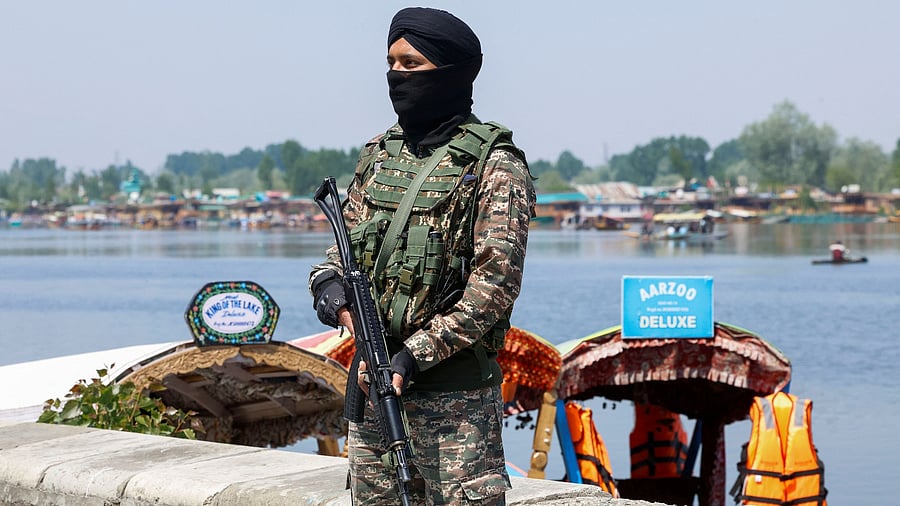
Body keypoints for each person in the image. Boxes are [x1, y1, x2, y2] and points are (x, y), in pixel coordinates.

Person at [308, 7, 535, 505]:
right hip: (372, 389)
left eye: (411, 65)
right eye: (391, 63)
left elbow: (493, 288)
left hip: (453, 403)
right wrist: (331, 291)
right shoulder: (378, 155)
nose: (396, 76)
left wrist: (412, 358)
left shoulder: (494, 166)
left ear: (451, 73)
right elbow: (339, 250)